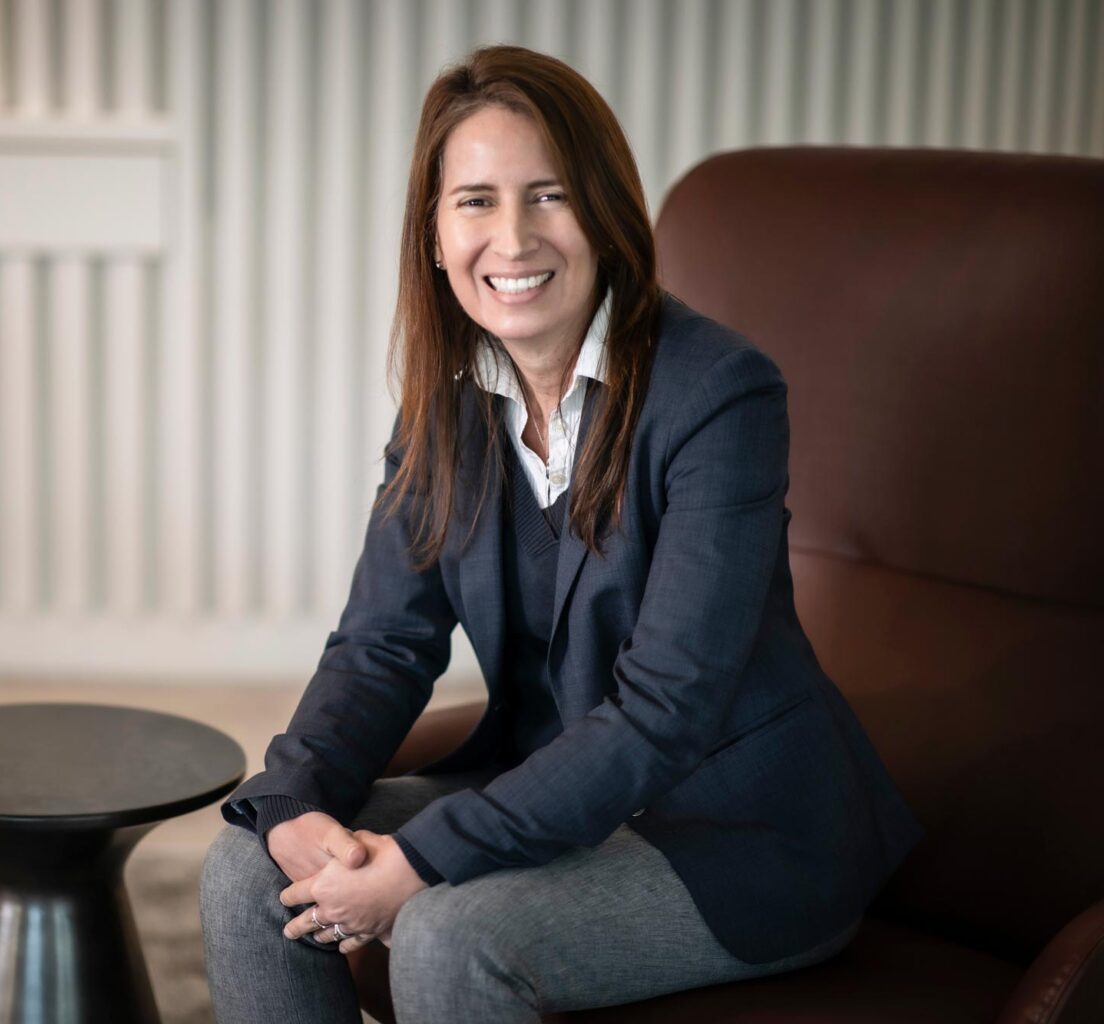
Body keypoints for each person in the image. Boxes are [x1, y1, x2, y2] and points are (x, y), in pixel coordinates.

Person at [198, 45, 922, 1022]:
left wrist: (421, 859)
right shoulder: (447, 411)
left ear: (606, 215)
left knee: (454, 939)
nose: (512, 236)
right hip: (559, 800)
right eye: (476, 200)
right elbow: (382, 646)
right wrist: (294, 802)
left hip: (741, 836)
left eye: (549, 196)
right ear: (434, 232)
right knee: (248, 870)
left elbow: (666, 710)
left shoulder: (719, 394)